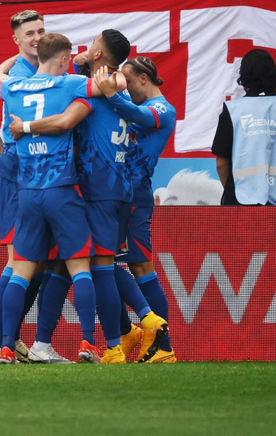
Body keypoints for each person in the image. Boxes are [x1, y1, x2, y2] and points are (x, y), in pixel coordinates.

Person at [8, 33, 170, 365]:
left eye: (90, 46)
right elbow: (117, 81)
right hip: (117, 190)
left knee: (96, 266)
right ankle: (122, 334)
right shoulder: (116, 88)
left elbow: (64, 122)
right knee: (84, 265)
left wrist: (25, 126)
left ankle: (119, 339)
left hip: (88, 189)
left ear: (96, 52)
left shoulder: (94, 92)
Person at [0, 32, 109, 365]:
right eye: (68, 59)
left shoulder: (12, 87)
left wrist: (17, 55)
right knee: (79, 268)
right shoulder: (69, 83)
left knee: (20, 271)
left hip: (27, 193)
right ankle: (88, 343)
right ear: (63, 59)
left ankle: (6, 347)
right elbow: (113, 86)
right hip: (61, 189)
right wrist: (95, 68)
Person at [93, 56, 178, 363]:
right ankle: (128, 332)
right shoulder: (138, 106)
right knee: (100, 261)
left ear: (144, 78)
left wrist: (110, 93)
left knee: (139, 266)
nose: (124, 88)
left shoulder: (163, 109)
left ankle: (162, 345)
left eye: (128, 82)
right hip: (119, 193)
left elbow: (132, 113)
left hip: (134, 195)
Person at [0, 9, 44, 365]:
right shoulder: (21, 76)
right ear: (16, 40)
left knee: (38, 263)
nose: (36, 37)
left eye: (41, 31)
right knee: (19, 260)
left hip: (41, 173)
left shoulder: (42, 68)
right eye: (29, 33)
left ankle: (11, 338)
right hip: (19, 169)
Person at [211, 49, 276, 206]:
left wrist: (232, 193)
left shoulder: (233, 111)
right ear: (274, 75)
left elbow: (221, 164)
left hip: (240, 204)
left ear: (244, 77)